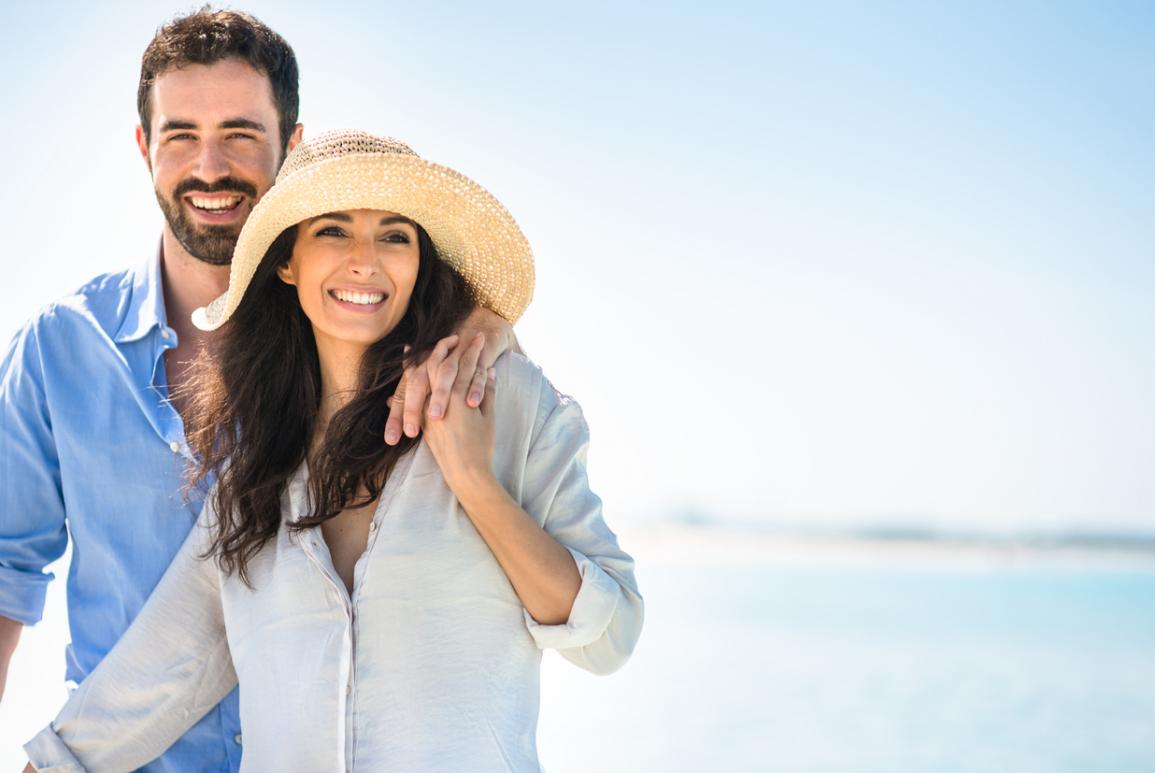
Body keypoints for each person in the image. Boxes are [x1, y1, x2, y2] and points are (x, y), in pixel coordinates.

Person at [23, 130, 642, 772]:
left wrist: (474, 483)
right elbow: (168, 663)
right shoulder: (255, 471)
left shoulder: (503, 400)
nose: (364, 261)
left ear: (420, 263)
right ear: (288, 260)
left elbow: (611, 635)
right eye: (334, 231)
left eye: (395, 235)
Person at [0, 10, 512, 771]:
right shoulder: (59, 349)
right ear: (144, 147)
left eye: (241, 134)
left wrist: (488, 322)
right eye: (180, 136)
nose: (211, 167)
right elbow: (6, 575)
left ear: (292, 148)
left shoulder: (357, 345)